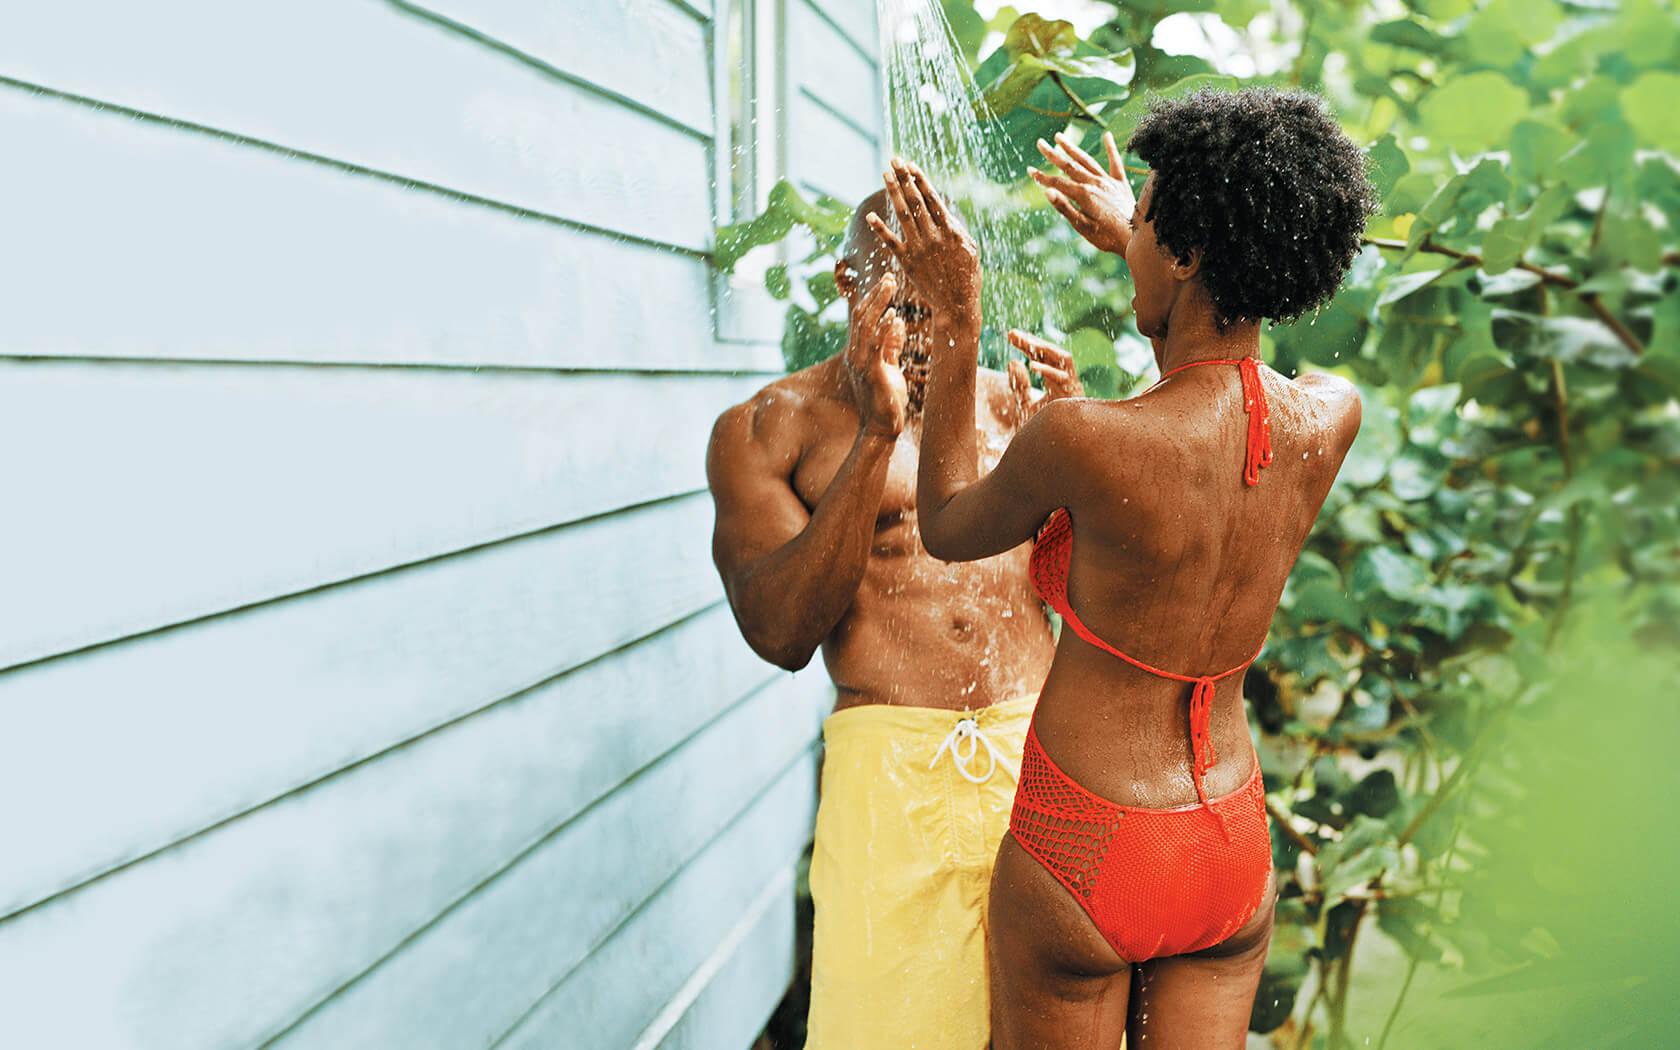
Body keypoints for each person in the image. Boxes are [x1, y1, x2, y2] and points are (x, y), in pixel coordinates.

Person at [868, 88, 1372, 1047]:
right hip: (1229, 834)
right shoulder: (1331, 417)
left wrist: (960, 319)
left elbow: (946, 524)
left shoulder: (1082, 437)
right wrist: (1156, 254)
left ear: (1184, 253)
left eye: (1141, 219)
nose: (1127, 230)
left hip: (1087, 840)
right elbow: (1220, 395)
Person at [705, 190, 1081, 1049]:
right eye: (907, 314)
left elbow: (1090, 595)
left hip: (1038, 753)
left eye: (954, 318)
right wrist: (877, 436)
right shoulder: (769, 431)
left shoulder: (1008, 407)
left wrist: (1076, 462)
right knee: (879, 1026)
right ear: (848, 286)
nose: (932, 344)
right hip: (889, 771)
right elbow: (781, 634)